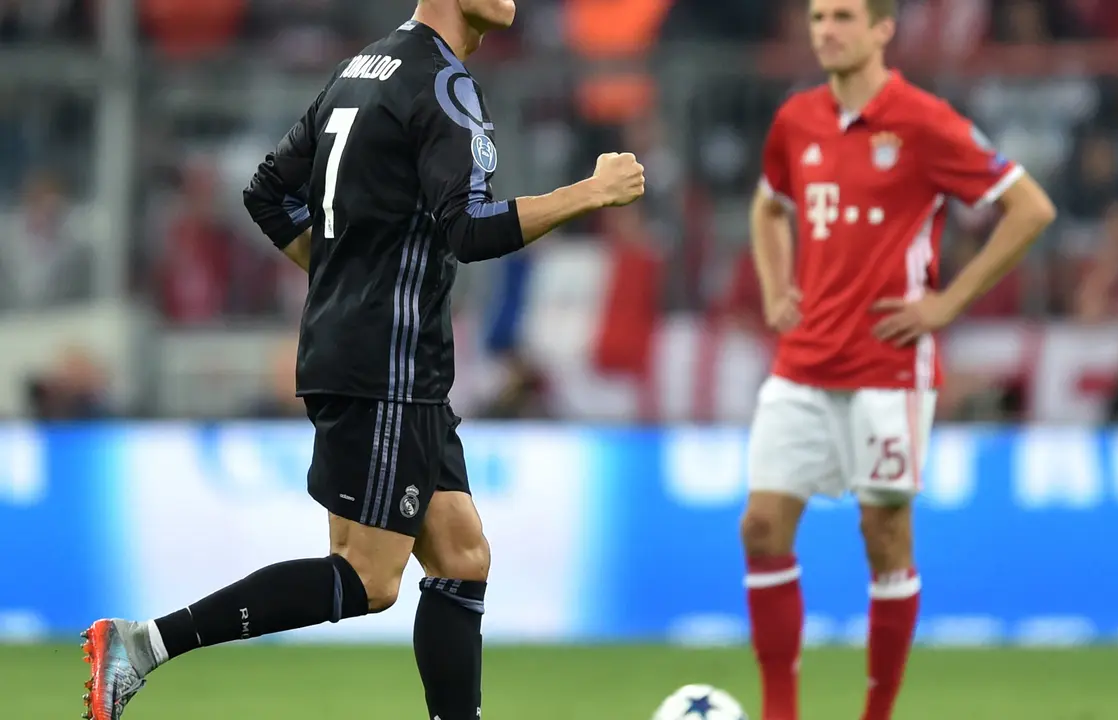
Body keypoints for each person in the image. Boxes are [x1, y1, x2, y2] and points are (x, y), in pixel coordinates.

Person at [79, 1, 645, 718]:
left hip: (379, 354)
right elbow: (467, 231)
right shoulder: (442, 85)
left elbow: (267, 193)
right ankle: (146, 645)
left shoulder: (360, 68)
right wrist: (590, 193)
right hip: (389, 364)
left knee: (462, 556)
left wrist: (346, 283)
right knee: (368, 577)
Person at [741, 1, 1056, 719]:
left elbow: (1031, 209)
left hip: (889, 369)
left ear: (883, 30)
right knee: (760, 526)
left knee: (883, 537)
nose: (826, 30)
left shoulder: (923, 120)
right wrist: (773, 285)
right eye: (818, 17)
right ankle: (779, 710)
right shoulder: (796, 120)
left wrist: (948, 304)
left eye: (844, 16)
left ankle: (877, 713)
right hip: (803, 362)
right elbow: (767, 208)